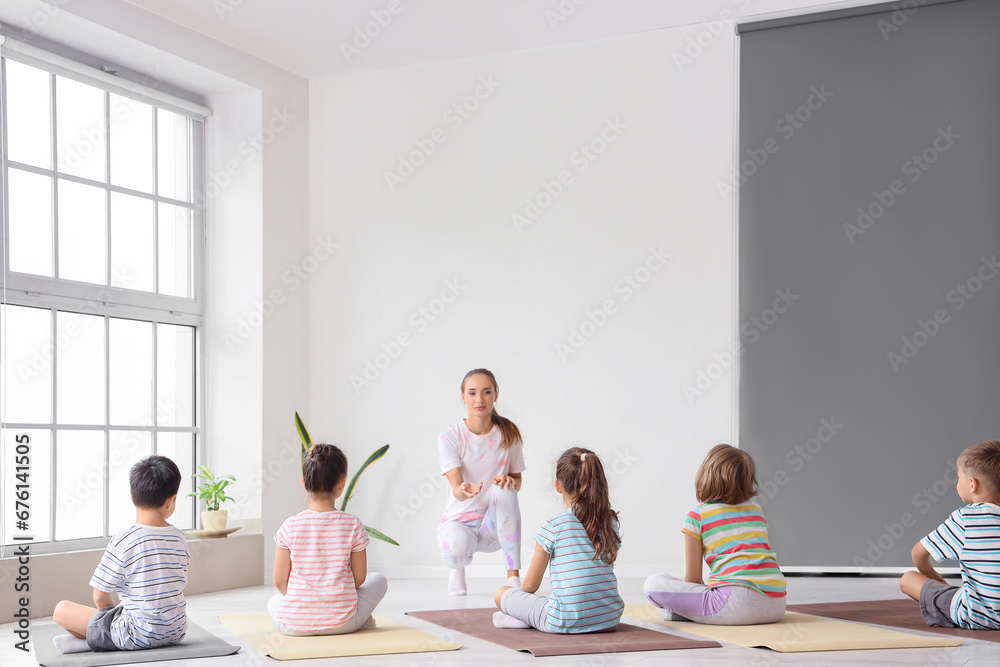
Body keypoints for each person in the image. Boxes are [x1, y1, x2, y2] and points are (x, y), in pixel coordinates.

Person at [52, 455, 189, 654]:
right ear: (171, 501)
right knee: (125, 613)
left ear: (132, 497)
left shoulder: (124, 539)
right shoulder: (179, 538)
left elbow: (100, 596)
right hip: (176, 631)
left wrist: (112, 620)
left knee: (61, 610)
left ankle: (100, 640)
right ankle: (99, 638)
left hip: (137, 633)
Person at [644, 444, 786, 625]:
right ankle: (696, 612)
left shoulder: (697, 516)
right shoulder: (757, 511)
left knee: (654, 583)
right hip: (776, 605)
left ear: (706, 476)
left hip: (735, 606)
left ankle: (686, 614)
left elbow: (693, 579)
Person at [493, 447, 623, 632]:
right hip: (609, 618)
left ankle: (521, 618)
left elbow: (529, 586)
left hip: (563, 621)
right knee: (551, 602)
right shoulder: (610, 521)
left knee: (502, 593)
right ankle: (530, 614)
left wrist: (520, 603)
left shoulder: (553, 526)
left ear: (558, 486)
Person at [269, 443, 387, 635]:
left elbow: (280, 582)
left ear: (304, 483)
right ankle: (361, 619)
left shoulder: (289, 526)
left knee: (273, 601)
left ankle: (303, 615)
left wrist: (307, 602)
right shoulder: (353, 524)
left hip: (294, 626)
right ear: (341, 484)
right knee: (379, 579)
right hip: (344, 623)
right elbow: (358, 578)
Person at [439, 368, 525, 595]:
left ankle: (513, 577)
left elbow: (517, 481)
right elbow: (457, 489)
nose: (479, 399)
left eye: (486, 392)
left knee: (505, 491)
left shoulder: (509, 433)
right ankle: (457, 569)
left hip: (494, 527)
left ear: (496, 394)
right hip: (460, 523)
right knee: (456, 548)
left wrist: (509, 481)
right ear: (463, 397)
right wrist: (463, 488)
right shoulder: (450, 437)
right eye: (472, 393)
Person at [900, 439, 1000, 630]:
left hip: (975, 616)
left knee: (908, 579)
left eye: (958, 477)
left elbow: (918, 554)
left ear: (972, 484)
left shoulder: (966, 518)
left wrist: (939, 582)